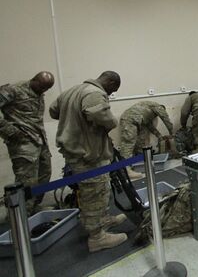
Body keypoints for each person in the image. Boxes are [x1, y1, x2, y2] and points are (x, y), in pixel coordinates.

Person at [50, 71, 127, 252]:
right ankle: (97, 237)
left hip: (78, 151)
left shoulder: (72, 90)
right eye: (112, 90)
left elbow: (53, 111)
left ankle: (101, 220)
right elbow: (105, 119)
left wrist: (74, 120)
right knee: (94, 191)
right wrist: (111, 122)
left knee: (97, 189)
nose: (110, 94)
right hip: (88, 154)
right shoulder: (94, 93)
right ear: (108, 81)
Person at [0, 71, 55, 214]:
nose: (44, 91)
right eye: (42, 87)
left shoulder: (39, 92)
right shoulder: (13, 90)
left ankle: (34, 207)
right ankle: (21, 216)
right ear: (35, 80)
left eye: (47, 89)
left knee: (45, 174)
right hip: (22, 144)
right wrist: (9, 130)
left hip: (39, 140)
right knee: (26, 181)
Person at [118, 101, 174, 178]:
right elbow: (166, 120)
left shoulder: (146, 111)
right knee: (128, 145)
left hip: (135, 120)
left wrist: (159, 136)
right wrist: (172, 133)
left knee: (141, 143)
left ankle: (139, 162)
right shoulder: (159, 107)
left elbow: (150, 126)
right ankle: (125, 171)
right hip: (130, 120)